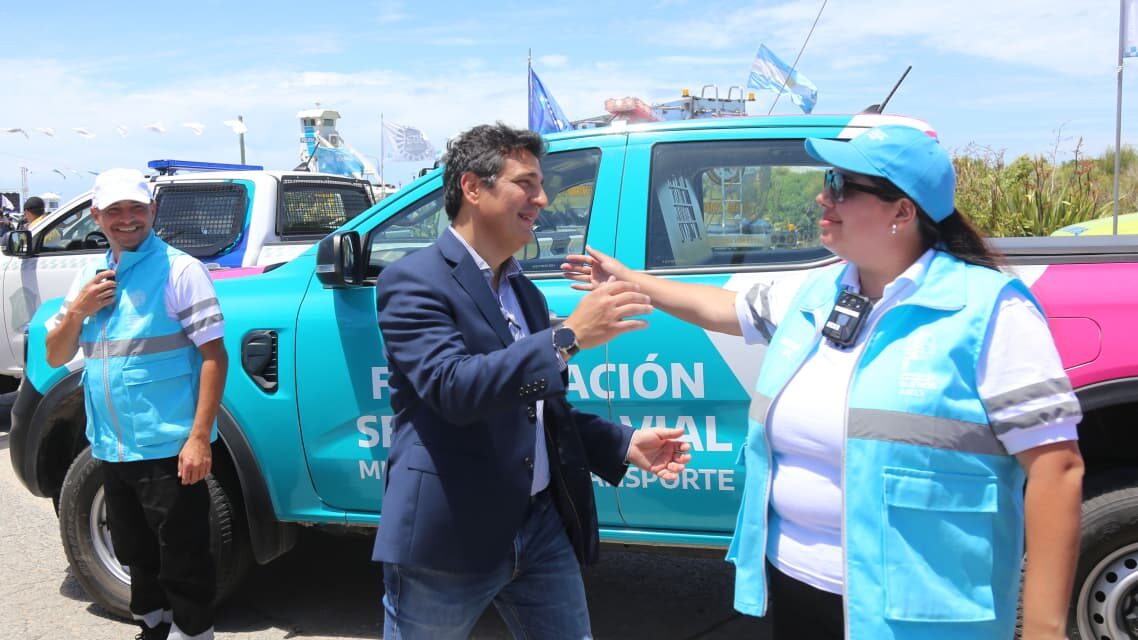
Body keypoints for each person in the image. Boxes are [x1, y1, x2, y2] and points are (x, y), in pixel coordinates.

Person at [562, 124, 1084, 640]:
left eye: (841, 185)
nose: (822, 196)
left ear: (903, 212)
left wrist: (1044, 630)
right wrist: (630, 279)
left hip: (921, 608)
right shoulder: (821, 291)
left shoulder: (988, 309)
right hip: (798, 585)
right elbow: (723, 308)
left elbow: (1056, 470)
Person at [372, 122, 692, 639]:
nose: (542, 199)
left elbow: (539, 410)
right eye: (526, 183)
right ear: (473, 188)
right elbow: (453, 389)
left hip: (539, 526)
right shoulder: (413, 279)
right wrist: (567, 338)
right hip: (452, 531)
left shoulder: (523, 290)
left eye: (541, 186)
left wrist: (622, 442)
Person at [45, 168, 227, 640]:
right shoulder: (88, 277)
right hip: (111, 447)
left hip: (169, 448)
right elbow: (56, 355)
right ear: (96, 216)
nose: (126, 218)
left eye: (136, 208)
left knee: (184, 556)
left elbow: (214, 357)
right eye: (114, 210)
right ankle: (153, 627)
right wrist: (79, 310)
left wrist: (199, 439)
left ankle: (193, 632)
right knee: (134, 554)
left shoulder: (181, 271)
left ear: (153, 210)